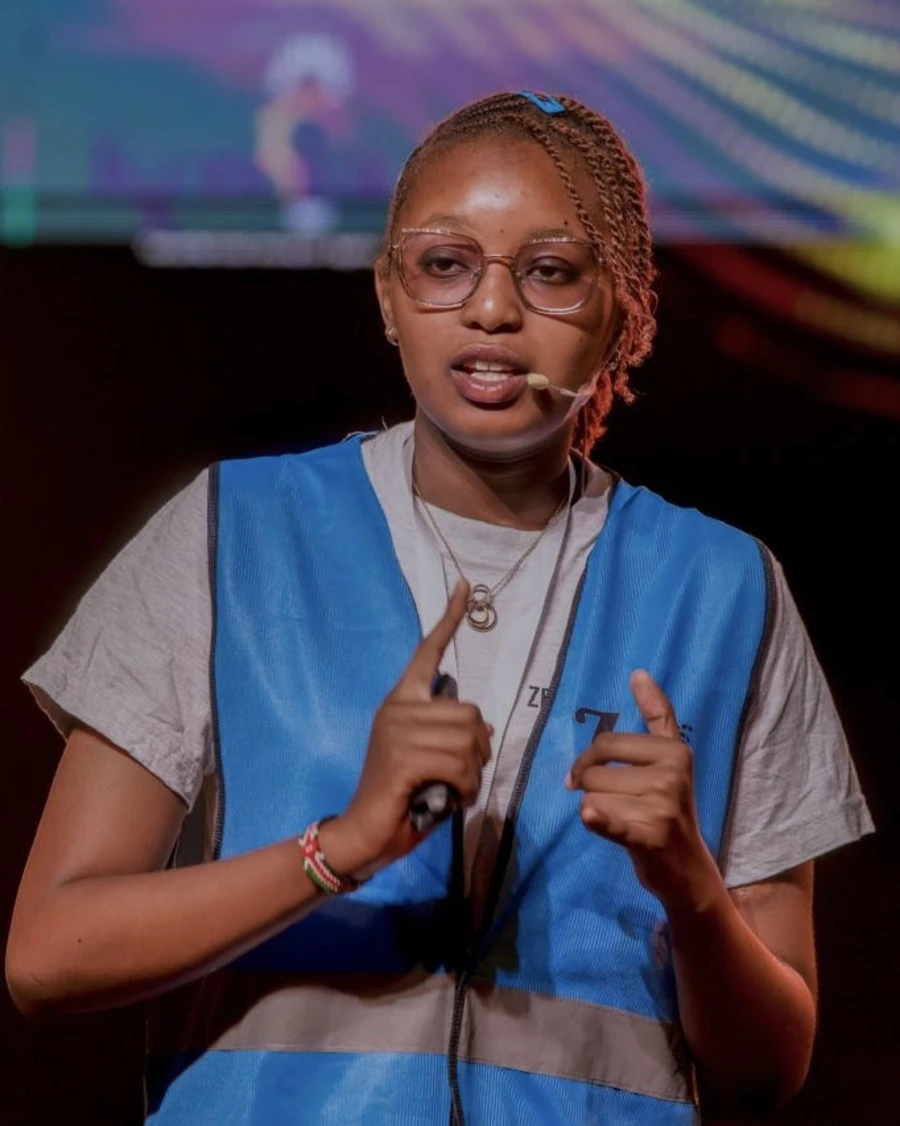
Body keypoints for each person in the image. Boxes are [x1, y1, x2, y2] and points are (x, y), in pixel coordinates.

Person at [7, 91, 873, 1125]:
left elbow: (774, 1062)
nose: (492, 310)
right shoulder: (230, 532)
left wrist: (690, 888)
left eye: (550, 271)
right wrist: (344, 845)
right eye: (444, 263)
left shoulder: (725, 586)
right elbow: (46, 955)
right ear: (388, 294)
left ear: (628, 307)